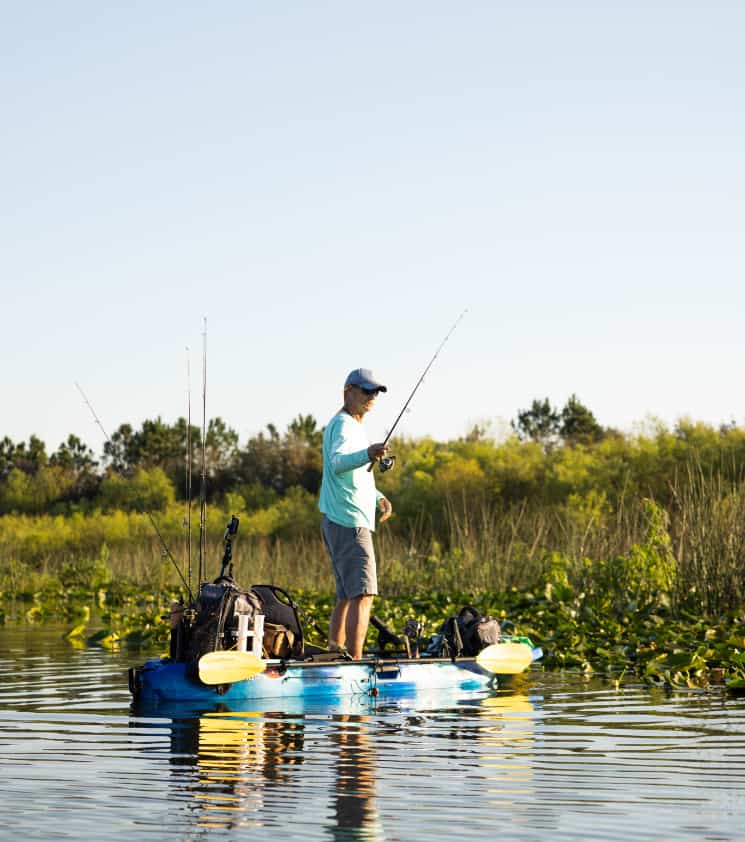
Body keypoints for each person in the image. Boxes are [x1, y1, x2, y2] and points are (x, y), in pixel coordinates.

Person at [319, 368, 393, 659]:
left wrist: (378, 498)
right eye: (365, 391)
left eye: (375, 392)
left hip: (343, 518)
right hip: (348, 521)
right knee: (363, 594)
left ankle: (335, 655)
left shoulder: (352, 426)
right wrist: (367, 454)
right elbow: (337, 464)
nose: (371, 397)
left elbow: (352, 475)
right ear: (348, 391)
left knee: (347, 597)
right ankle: (355, 663)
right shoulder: (343, 424)